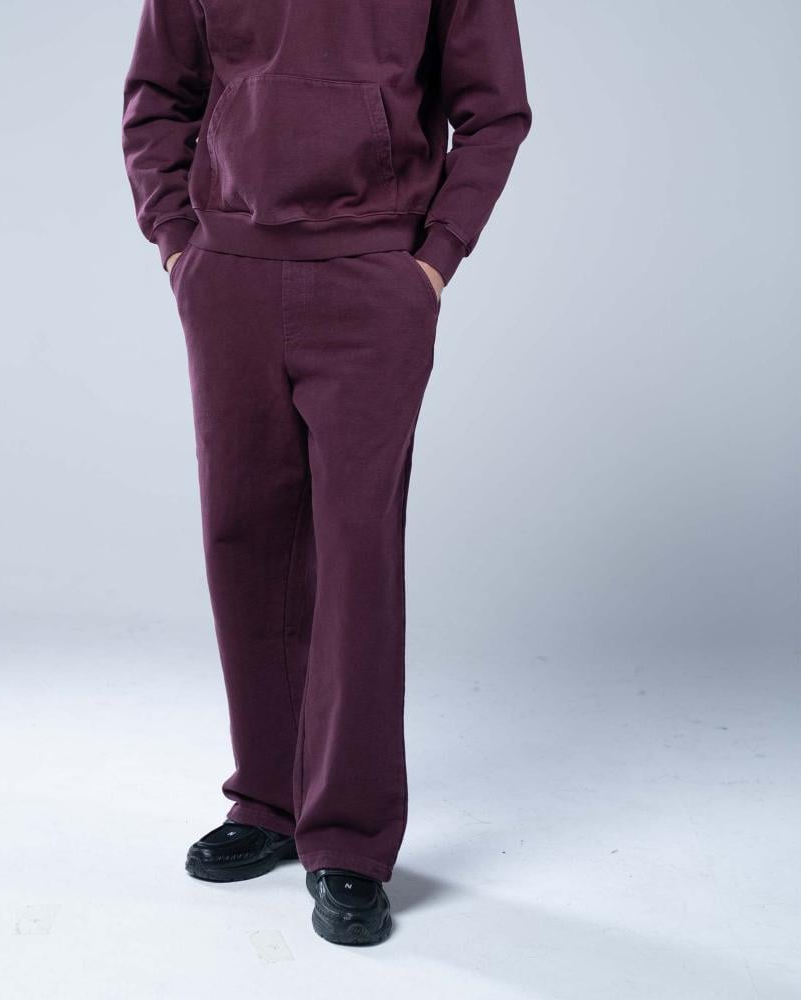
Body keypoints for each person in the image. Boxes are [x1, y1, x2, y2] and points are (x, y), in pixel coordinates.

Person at [121, 0, 531, 946]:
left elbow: (496, 110)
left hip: (372, 274)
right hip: (230, 270)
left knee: (355, 549)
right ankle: (268, 798)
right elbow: (156, 96)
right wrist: (177, 240)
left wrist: (434, 257)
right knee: (244, 538)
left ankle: (348, 836)